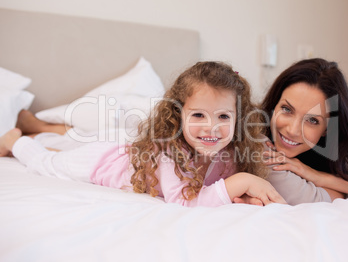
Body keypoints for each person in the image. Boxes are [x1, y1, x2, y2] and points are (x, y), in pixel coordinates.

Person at [0, 61, 286, 207]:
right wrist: (244, 181)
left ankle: (41, 132)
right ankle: (15, 139)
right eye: (198, 115)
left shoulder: (231, 154)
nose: (211, 128)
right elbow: (185, 201)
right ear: (178, 115)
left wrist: (243, 196)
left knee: (65, 146)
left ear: (239, 120)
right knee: (49, 163)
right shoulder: (169, 153)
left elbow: (219, 193)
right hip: (104, 162)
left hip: (127, 149)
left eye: (223, 116)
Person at [254, 58, 348, 205]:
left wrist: (321, 177)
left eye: (312, 120)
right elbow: (316, 200)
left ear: (326, 130)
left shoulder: (328, 155)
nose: (293, 130)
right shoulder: (259, 143)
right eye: (286, 109)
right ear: (274, 106)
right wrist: (339, 189)